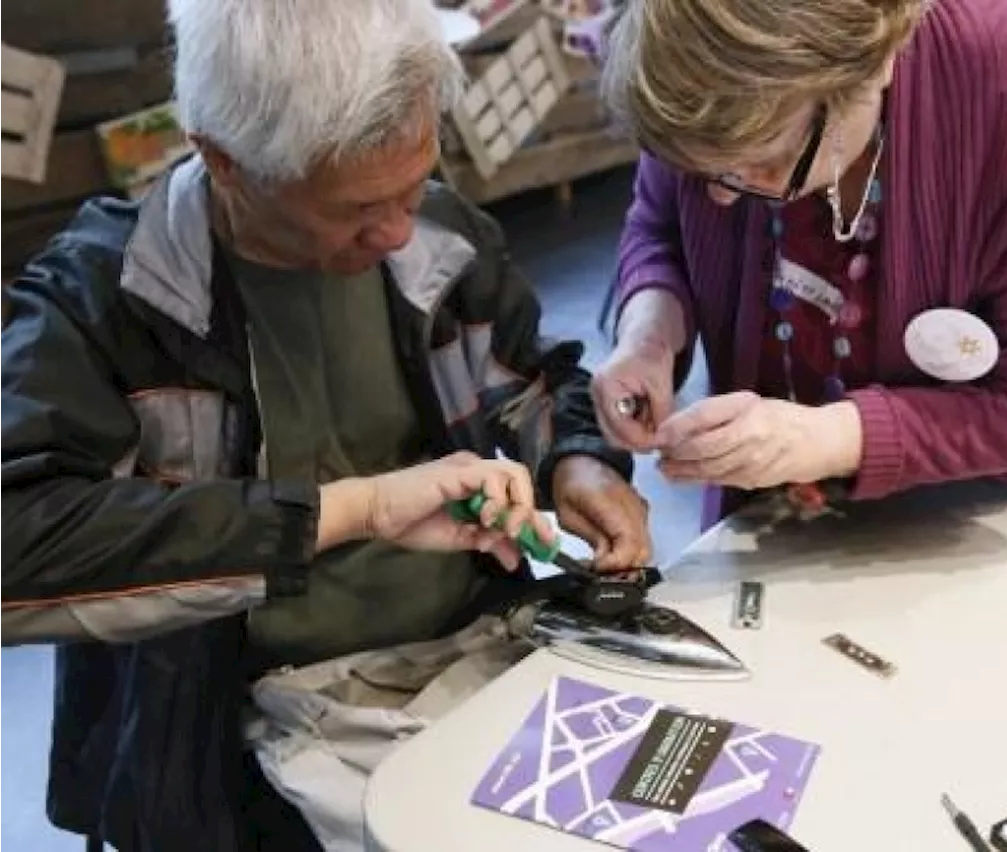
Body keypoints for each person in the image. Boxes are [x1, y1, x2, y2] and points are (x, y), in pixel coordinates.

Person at [0, 0, 651, 848]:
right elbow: (17, 544)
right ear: (222, 160)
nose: (395, 231)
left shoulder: (441, 245)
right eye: (352, 208)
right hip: (228, 739)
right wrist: (357, 510)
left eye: (414, 182)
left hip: (468, 667)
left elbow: (539, 378)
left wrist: (578, 461)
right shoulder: (108, 302)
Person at [592, 0, 1007, 529]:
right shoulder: (701, 76)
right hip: (778, 495)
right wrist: (650, 334)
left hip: (983, 506)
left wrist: (824, 440)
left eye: (762, 162)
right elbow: (660, 224)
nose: (723, 198)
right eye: (701, 169)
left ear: (873, 68)